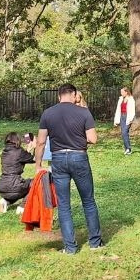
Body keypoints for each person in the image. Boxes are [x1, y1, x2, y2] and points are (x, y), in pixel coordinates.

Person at [36, 83, 103, 254]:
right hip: (79, 157)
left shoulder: (48, 113)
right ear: (73, 95)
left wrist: (38, 166)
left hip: (58, 159)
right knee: (88, 201)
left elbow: (41, 142)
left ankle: (70, 248)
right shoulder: (84, 112)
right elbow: (93, 139)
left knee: (64, 205)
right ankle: (95, 243)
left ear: (59, 96)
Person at [0, 131, 35, 213]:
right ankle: (22, 207)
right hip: (14, 184)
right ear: (17, 140)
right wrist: (34, 147)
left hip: (2, 186)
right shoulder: (19, 151)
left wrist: (28, 149)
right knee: (35, 183)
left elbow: (20, 159)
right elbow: (33, 159)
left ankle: (4, 201)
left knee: (18, 191)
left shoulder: (5, 152)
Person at [112, 86, 136, 155]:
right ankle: (126, 149)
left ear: (126, 92)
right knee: (123, 133)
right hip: (121, 117)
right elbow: (118, 110)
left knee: (125, 132)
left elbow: (132, 110)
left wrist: (131, 119)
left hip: (127, 117)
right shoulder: (121, 99)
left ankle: (128, 148)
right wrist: (116, 120)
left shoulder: (131, 99)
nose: (121, 93)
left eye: (122, 92)